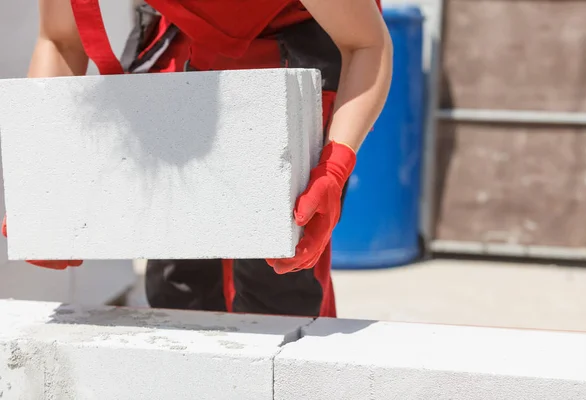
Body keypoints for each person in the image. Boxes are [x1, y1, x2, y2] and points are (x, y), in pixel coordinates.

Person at [3, 0, 393, 318]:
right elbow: (59, 40)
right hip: (179, 56)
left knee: (279, 290)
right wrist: (43, 171)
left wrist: (334, 167)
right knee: (177, 285)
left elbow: (366, 44)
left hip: (286, 62)